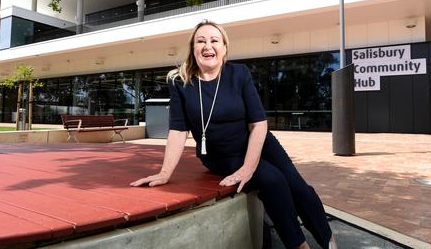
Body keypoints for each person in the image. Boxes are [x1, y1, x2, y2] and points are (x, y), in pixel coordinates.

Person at [131, 20, 335, 249]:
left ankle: (329, 241)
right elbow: (178, 129)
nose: (208, 46)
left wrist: (248, 168)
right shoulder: (180, 82)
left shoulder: (239, 73)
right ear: (193, 48)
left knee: (298, 187)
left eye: (214, 40)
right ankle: (299, 245)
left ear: (224, 48)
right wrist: (165, 172)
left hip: (260, 141)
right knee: (273, 180)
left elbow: (258, 124)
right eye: (201, 41)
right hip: (222, 154)